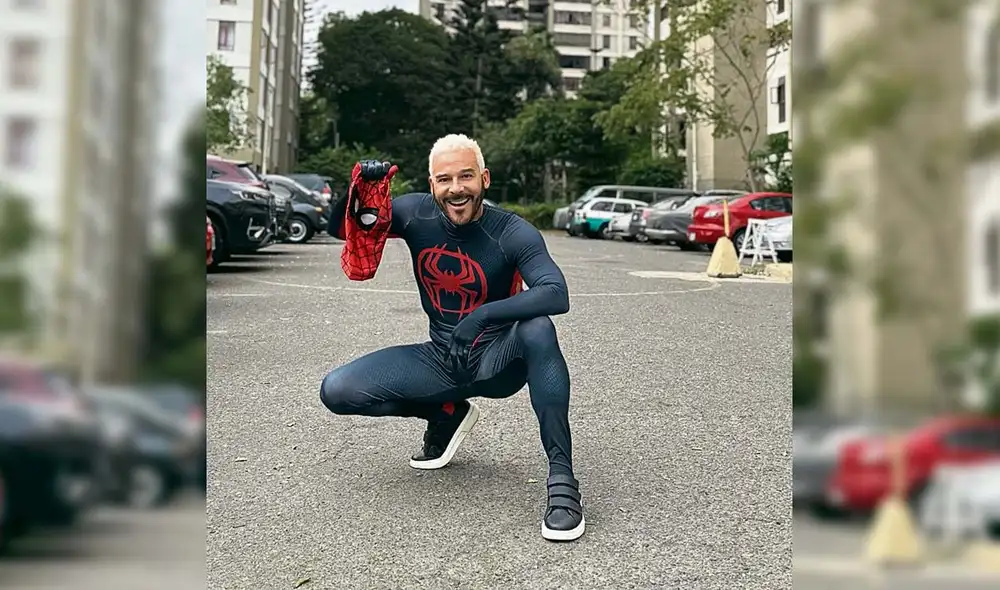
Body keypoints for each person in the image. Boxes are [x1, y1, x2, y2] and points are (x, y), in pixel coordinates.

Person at [319, 134, 584, 542]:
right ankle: (446, 413)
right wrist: (354, 188)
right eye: (445, 179)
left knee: (539, 326)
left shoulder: (511, 231)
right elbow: (344, 229)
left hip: (498, 359)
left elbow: (555, 292)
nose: (456, 188)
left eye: (466, 176)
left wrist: (483, 316)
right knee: (337, 390)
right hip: (442, 358)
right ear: (431, 184)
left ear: (485, 179)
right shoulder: (414, 213)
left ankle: (562, 479)